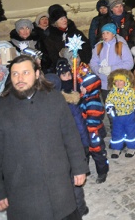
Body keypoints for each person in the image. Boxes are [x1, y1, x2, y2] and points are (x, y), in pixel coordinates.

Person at [0, 55, 88, 219]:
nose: (20, 78)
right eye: (15, 74)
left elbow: (70, 135)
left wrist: (79, 167)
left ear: (37, 74)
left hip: (60, 191)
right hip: (23, 195)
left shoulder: (54, 99)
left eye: (25, 72)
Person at [47, 68, 90, 217]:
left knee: (72, 183)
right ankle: (78, 207)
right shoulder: (49, 107)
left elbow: (78, 127)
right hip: (60, 153)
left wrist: (84, 145)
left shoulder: (66, 106)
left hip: (66, 151)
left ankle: (79, 208)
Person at [76, 62, 109, 184]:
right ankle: (85, 170)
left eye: (82, 86)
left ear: (89, 87)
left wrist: (84, 123)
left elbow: (92, 120)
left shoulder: (93, 102)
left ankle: (102, 171)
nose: (80, 88)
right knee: (84, 153)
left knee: (97, 153)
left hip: (93, 133)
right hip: (86, 133)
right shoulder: (85, 98)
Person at [90, 23, 134, 102]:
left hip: (120, 83)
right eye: (103, 33)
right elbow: (93, 63)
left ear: (113, 34)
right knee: (109, 108)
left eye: (108, 33)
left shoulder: (121, 46)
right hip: (104, 85)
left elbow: (129, 63)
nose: (105, 35)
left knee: (122, 107)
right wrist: (99, 70)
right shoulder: (98, 47)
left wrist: (112, 68)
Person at [105, 69, 135, 158]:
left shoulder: (132, 92)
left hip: (130, 116)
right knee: (117, 132)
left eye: (121, 80)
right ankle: (117, 148)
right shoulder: (112, 93)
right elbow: (108, 102)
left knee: (131, 132)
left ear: (126, 81)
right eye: (116, 81)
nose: (118, 83)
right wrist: (111, 109)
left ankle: (132, 147)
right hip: (118, 117)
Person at [42, 4, 92, 72]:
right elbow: (52, 56)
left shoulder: (76, 33)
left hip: (80, 68)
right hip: (63, 71)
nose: (64, 20)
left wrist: (81, 61)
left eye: (65, 18)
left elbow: (86, 48)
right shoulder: (51, 38)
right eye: (61, 19)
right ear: (55, 23)